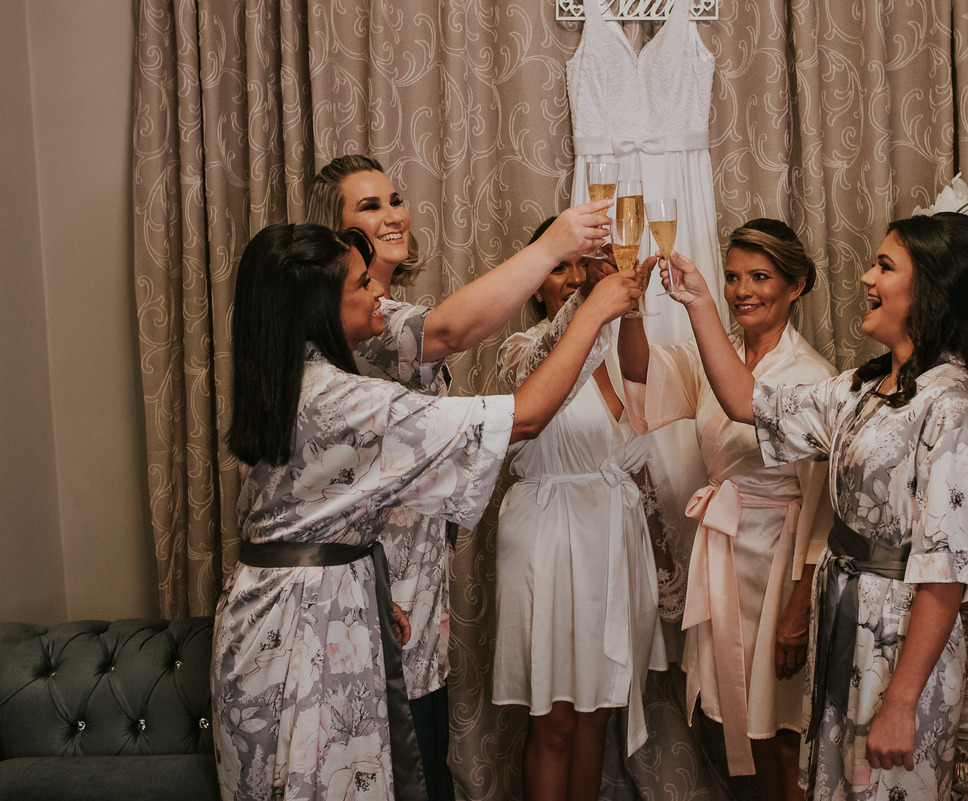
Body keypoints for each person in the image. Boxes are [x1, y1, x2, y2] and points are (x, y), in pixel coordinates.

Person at [214, 223, 640, 801]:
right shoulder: (346, 400)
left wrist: (361, 585)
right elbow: (525, 417)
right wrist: (594, 311)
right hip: (302, 633)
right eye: (362, 284)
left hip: (268, 613)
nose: (379, 293)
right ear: (319, 307)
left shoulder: (286, 381)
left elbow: (303, 517)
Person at [662, 212, 968, 800]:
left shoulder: (953, 407)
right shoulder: (863, 389)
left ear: (930, 288)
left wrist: (902, 702)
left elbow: (947, 569)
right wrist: (697, 301)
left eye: (885, 266)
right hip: (843, 615)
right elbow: (748, 401)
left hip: (898, 636)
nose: (866, 277)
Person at [305, 155, 612, 798]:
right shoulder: (358, 326)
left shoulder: (384, 311)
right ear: (337, 234)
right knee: (397, 761)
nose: (393, 215)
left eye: (395, 199)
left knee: (423, 747)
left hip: (414, 570)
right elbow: (449, 331)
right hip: (368, 571)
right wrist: (555, 249)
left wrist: (591, 297)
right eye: (369, 206)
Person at [616, 218, 836, 800]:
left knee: (783, 727)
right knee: (738, 720)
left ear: (796, 286)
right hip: (725, 555)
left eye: (760, 277)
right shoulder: (718, 357)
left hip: (779, 561)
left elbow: (823, 511)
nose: (742, 291)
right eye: (733, 277)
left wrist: (799, 606)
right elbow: (641, 374)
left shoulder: (813, 378)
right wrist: (632, 308)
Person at [490, 219, 669, 801]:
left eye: (582, 266)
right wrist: (589, 302)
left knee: (597, 714)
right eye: (559, 267)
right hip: (549, 536)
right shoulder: (521, 350)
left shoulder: (619, 357)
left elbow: (641, 461)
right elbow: (529, 391)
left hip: (612, 541)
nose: (572, 278)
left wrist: (663, 565)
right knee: (556, 719)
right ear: (535, 281)